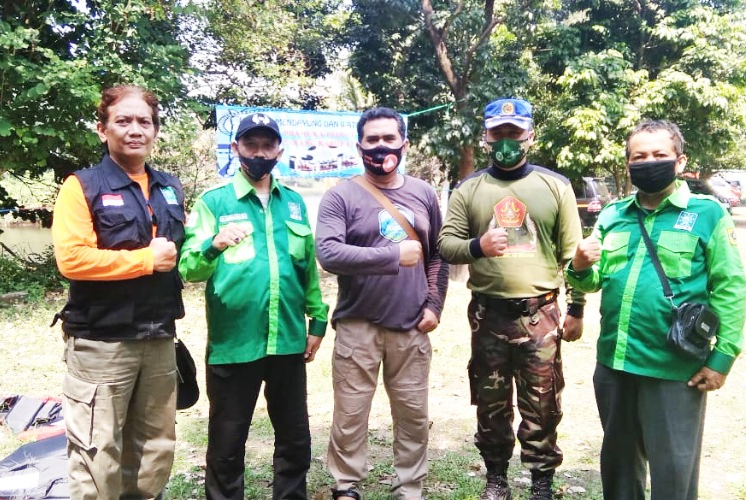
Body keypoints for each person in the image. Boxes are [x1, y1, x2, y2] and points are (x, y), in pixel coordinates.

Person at [566, 120, 746, 499]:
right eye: (639, 157)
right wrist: (579, 266)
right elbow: (593, 280)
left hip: (674, 368)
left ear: (680, 162)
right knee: (618, 468)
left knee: (674, 473)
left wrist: (722, 357)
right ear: (628, 164)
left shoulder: (707, 214)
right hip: (615, 364)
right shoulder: (613, 214)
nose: (649, 162)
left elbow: (730, 287)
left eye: (659, 155)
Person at [438, 98, 585, 500]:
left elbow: (574, 256)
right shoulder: (469, 189)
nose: (506, 140)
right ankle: (496, 480)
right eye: (498, 132)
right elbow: (446, 245)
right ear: (486, 137)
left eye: (514, 133)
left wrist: (577, 308)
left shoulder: (556, 186)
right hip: (489, 316)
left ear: (529, 136)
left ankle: (541, 484)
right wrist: (478, 246)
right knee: (491, 403)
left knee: (543, 403)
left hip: (541, 315)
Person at [178, 112, 329, 500]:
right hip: (235, 343)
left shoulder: (293, 203)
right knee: (227, 444)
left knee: (295, 439)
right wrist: (214, 244)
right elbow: (189, 268)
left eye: (267, 145)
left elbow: (306, 268)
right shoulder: (214, 202)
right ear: (236, 148)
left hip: (288, 340)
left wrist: (317, 321)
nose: (259, 153)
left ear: (279, 150)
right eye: (251, 144)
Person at [52, 85, 185, 499]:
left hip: (159, 338)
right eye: (123, 121)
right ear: (102, 129)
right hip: (102, 341)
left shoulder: (169, 187)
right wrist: (145, 260)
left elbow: (180, 252)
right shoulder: (82, 186)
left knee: (155, 448)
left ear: (155, 130)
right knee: (97, 451)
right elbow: (72, 259)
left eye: (144, 121)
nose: (135, 130)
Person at [316, 107, 449, 500]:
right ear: (359, 147)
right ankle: (346, 484)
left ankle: (409, 486)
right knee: (350, 412)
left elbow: (438, 254)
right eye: (372, 140)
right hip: (358, 324)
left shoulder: (423, 193)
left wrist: (434, 304)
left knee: (413, 414)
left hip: (411, 324)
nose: (380, 147)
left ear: (404, 144)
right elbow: (328, 253)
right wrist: (392, 256)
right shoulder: (340, 195)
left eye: (389, 139)